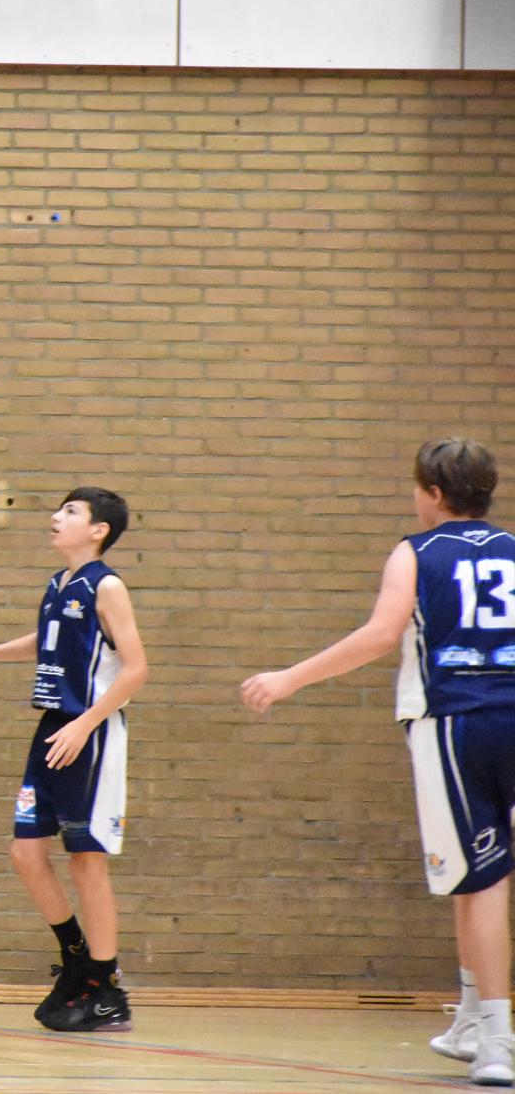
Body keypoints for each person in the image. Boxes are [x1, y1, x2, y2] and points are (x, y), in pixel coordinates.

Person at [241, 439, 515, 1087]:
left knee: (483, 882)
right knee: (469, 875)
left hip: (455, 720)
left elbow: (381, 634)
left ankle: (499, 1038)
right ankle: (472, 1016)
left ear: (435, 493)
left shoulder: (416, 551)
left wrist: (289, 677)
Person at [0, 487, 148, 1033]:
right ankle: (77, 959)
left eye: (71, 511)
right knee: (25, 852)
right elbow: (51, 640)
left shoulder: (107, 586)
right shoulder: (60, 584)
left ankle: (107, 991)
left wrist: (85, 724)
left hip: (90, 732)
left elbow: (136, 670)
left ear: (99, 530)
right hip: (52, 729)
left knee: (86, 861)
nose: (56, 517)